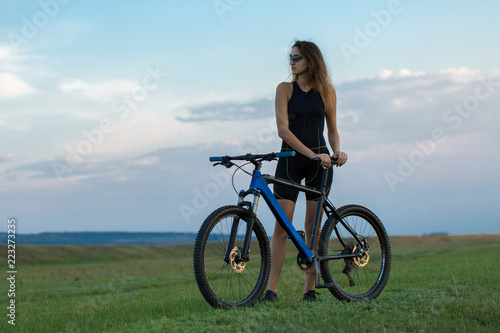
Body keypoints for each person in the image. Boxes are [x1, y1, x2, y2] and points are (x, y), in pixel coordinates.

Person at [261, 40, 348, 303]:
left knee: (313, 227)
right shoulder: (284, 89)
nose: (291, 61)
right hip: (290, 160)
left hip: (320, 164)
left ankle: (309, 291)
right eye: (290, 57)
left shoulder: (328, 91)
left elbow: (332, 130)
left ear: (310, 60)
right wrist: (309, 154)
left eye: (296, 57)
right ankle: (271, 291)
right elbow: (283, 130)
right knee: (281, 227)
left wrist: (337, 151)